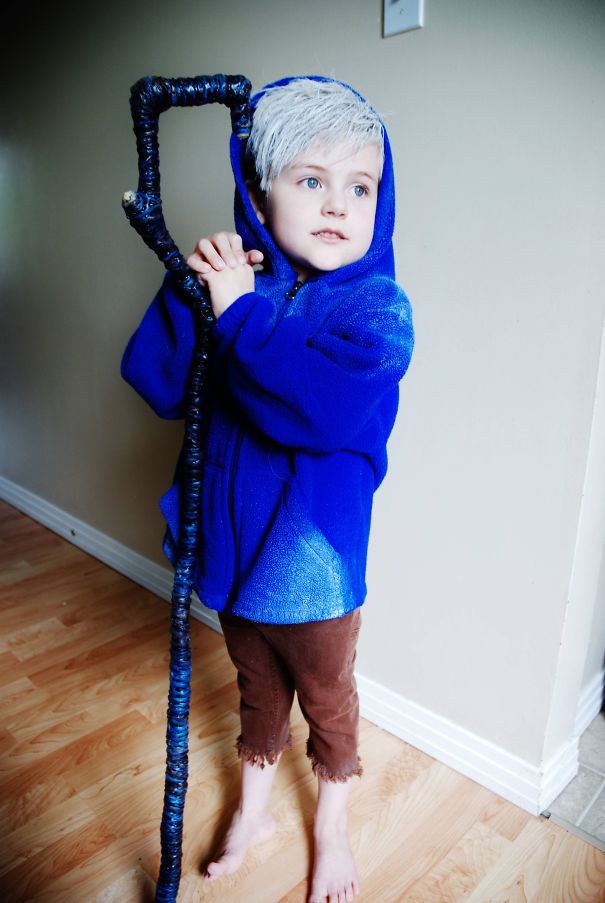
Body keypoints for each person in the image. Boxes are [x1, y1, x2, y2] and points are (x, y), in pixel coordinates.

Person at [121, 75, 414, 903]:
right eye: (310, 180)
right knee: (255, 688)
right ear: (258, 196)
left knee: (327, 697)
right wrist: (192, 294)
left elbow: (315, 410)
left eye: (360, 186)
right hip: (231, 549)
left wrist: (239, 316)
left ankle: (331, 821)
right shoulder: (239, 290)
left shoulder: (378, 309)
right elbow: (157, 381)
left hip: (312, 566)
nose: (338, 203)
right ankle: (253, 813)